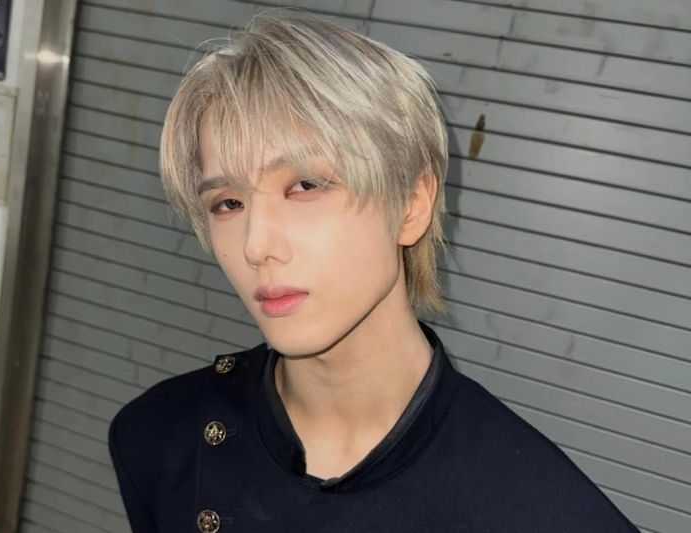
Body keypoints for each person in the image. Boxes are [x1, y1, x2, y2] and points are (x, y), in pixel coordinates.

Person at [108, 11, 638, 533]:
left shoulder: (544, 511)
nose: (256, 245)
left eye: (305, 186)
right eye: (227, 203)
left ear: (411, 204)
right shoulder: (157, 439)